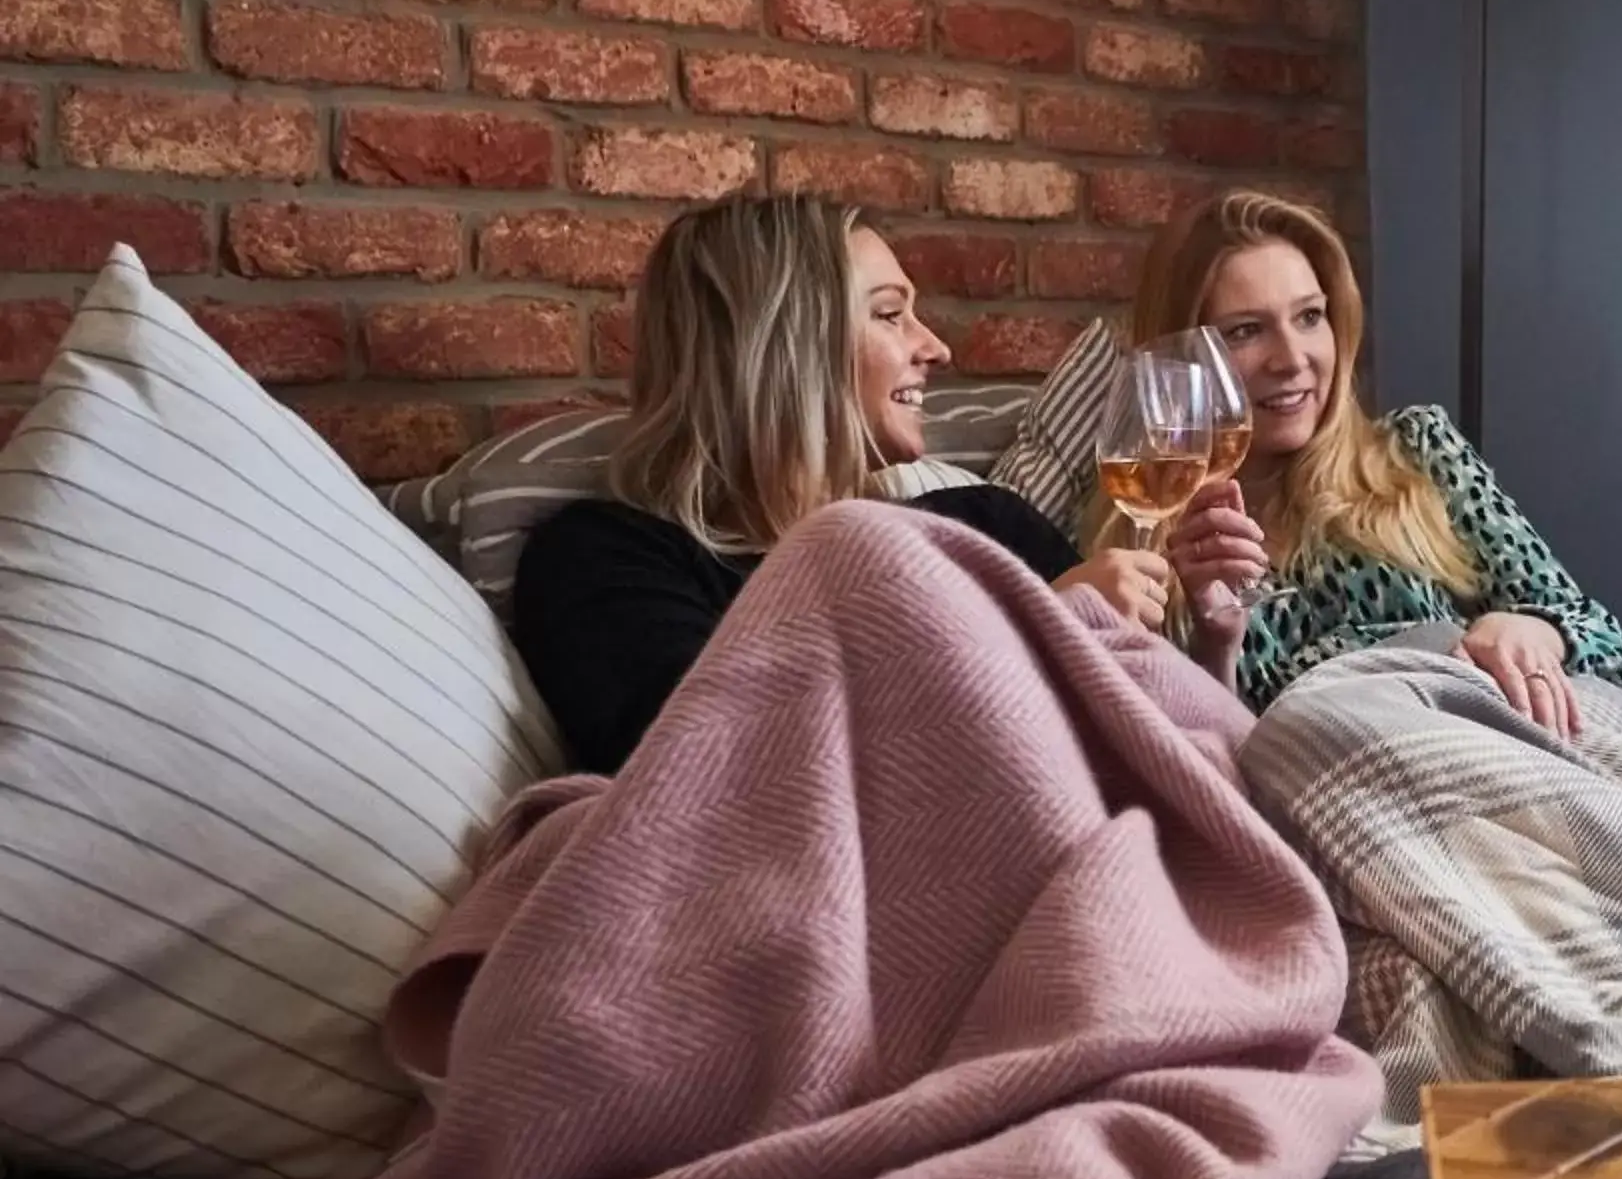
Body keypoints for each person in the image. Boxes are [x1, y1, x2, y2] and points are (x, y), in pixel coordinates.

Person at [515, 194, 1223, 773]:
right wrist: (1037, 632)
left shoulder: (985, 524)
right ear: (784, 347)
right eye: (890, 314)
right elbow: (713, 780)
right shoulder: (601, 562)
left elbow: (1162, 739)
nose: (935, 347)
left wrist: (1213, 644)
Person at [1127, 190, 1622, 730]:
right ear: (1183, 362)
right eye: (1246, 330)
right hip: (1332, 782)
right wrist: (1215, 643)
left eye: (1310, 317)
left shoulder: (1417, 450)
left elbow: (1601, 635)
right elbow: (1196, 761)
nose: (1294, 359)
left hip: (1485, 742)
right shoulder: (1143, 541)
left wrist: (1529, 630)